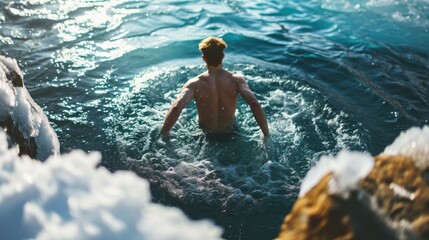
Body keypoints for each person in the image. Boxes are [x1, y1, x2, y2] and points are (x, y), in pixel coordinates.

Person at [160, 36, 269, 139]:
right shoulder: (236, 79)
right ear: (223, 56)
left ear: (203, 58)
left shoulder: (194, 83)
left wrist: (163, 135)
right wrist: (266, 135)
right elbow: (254, 103)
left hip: (205, 134)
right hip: (231, 132)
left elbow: (176, 107)